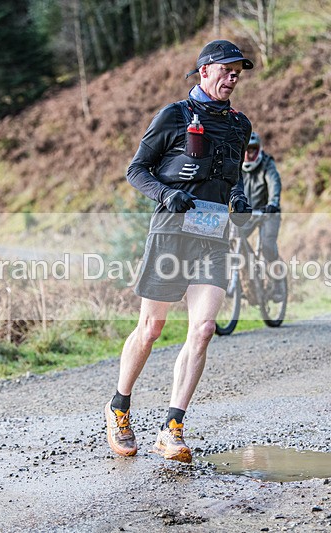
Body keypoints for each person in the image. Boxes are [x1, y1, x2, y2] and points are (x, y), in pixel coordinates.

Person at [104, 40, 254, 463]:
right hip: (171, 232)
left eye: (238, 71)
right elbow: (137, 170)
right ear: (204, 71)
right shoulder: (173, 116)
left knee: (203, 328)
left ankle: (172, 427)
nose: (233, 76)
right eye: (226, 69)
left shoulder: (240, 125)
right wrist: (167, 194)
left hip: (213, 234)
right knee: (151, 328)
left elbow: (233, 175)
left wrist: (238, 197)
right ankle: (119, 407)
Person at [239, 131, 282, 282]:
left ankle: (277, 281)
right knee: (235, 240)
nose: (249, 153)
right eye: (246, 149)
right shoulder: (236, 167)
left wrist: (273, 203)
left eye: (253, 149)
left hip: (268, 213)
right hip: (246, 214)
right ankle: (247, 282)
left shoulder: (267, 164)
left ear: (259, 150)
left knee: (268, 247)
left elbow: (274, 183)